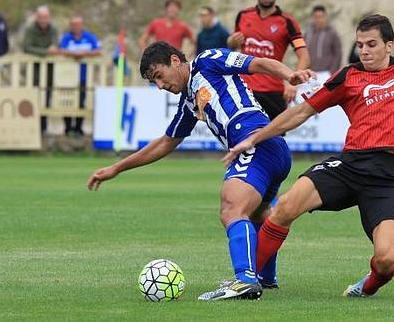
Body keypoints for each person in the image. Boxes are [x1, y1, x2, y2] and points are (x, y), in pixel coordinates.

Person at [223, 6, 394, 297]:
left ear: (389, 45)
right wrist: (255, 138)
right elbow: (302, 112)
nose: (364, 51)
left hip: (391, 177)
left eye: (372, 44)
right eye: (360, 45)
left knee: (386, 261)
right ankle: (248, 280)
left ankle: (366, 287)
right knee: (285, 206)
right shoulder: (347, 76)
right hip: (350, 165)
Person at [87, 41, 314, 301]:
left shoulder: (207, 61)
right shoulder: (188, 101)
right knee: (258, 213)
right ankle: (264, 276)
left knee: (232, 206)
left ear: (175, 60)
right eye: (154, 83)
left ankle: (245, 280)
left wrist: (289, 75)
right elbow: (165, 142)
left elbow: (257, 64)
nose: (160, 86)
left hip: (256, 141)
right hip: (271, 150)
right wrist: (117, 168)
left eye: (159, 76)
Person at [228, 0, 310, 120]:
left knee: (274, 137)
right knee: (241, 136)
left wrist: (293, 83)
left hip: (272, 92)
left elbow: (304, 56)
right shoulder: (243, 15)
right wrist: (231, 42)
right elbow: (232, 45)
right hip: (243, 89)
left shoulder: (287, 21)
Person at [58, 16, 102, 136]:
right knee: (67, 101)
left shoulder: (89, 37)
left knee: (81, 101)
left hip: (84, 76)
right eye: (73, 25)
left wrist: (86, 53)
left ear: (81, 25)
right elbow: (59, 50)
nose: (76, 27)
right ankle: (67, 128)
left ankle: (78, 128)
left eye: (78, 25)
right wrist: (72, 54)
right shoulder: (66, 38)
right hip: (67, 76)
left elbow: (99, 51)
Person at [23, 5, 58, 134]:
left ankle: (43, 127)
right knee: (33, 98)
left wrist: (52, 50)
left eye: (46, 17)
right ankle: (32, 128)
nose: (44, 20)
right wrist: (45, 52)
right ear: (37, 17)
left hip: (49, 70)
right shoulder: (30, 29)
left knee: (47, 97)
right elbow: (27, 47)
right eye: (41, 17)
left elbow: (55, 45)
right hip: (34, 70)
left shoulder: (53, 29)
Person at [304, 5, 342, 75]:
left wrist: (332, 72)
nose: (318, 19)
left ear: (325, 17)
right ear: (312, 17)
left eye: (321, 17)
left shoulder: (332, 32)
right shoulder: (308, 33)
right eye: (316, 17)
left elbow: (338, 54)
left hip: (326, 73)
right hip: (309, 72)